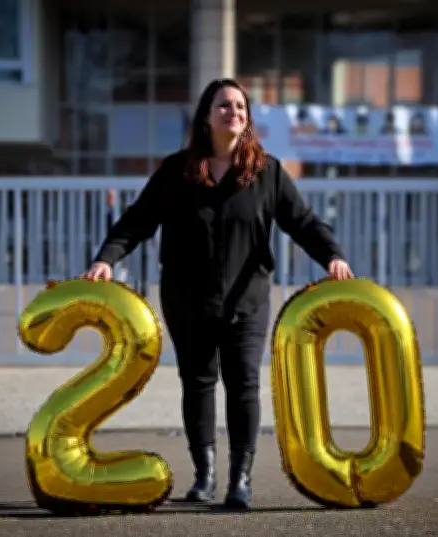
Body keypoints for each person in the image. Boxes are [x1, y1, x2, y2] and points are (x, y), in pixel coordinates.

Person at [82, 78, 354, 510]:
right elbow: (138, 219)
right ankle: (204, 474)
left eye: (240, 107)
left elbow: (302, 222)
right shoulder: (177, 171)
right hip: (187, 300)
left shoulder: (267, 172)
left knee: (244, 384)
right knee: (197, 383)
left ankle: (240, 479)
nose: (233, 113)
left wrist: (332, 256)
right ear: (206, 116)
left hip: (247, 301)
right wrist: (106, 259)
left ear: (247, 118)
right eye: (224, 106)